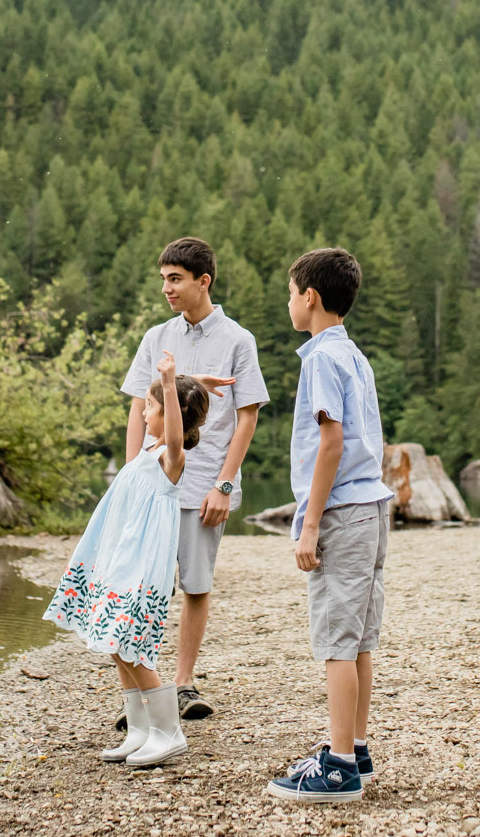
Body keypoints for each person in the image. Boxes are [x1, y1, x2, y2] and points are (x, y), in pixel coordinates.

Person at [117, 237, 269, 723]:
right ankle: (146, 692)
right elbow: (139, 409)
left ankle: (182, 685)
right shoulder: (155, 336)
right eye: (163, 278)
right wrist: (128, 478)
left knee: (195, 586)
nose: (166, 288)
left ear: (203, 281)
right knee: (141, 586)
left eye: (175, 278)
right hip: (151, 483)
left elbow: (246, 419)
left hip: (204, 483)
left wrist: (225, 486)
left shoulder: (238, 340)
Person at [266, 247, 392, 805]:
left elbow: (331, 442)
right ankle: (356, 746)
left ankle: (339, 768)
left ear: (310, 297)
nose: (289, 302)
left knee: (337, 641)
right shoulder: (355, 356)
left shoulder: (320, 358)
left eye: (291, 292)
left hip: (342, 510)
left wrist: (309, 522)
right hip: (374, 507)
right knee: (359, 637)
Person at [44, 351, 208, 768]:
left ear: (170, 414)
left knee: (132, 646)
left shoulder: (171, 457)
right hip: (119, 559)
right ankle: (139, 730)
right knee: (115, 644)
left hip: (142, 567)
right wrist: (191, 381)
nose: (144, 410)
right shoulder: (147, 448)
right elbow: (170, 420)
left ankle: (168, 732)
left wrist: (170, 386)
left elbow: (175, 433)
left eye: (149, 406)